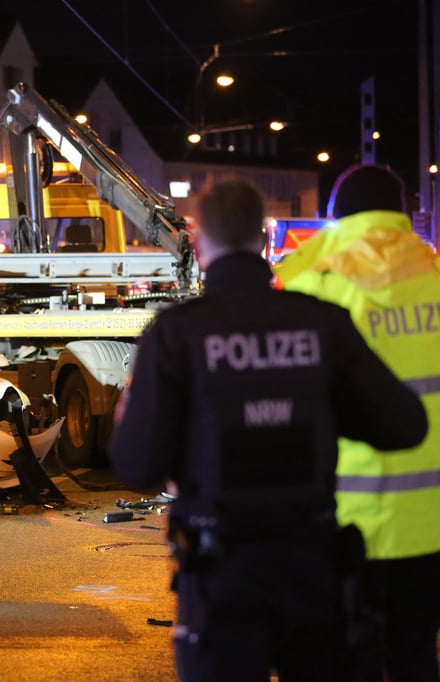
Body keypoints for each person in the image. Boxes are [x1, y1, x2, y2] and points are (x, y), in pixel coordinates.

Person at [108, 179, 427, 681]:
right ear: (263, 238)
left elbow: (136, 465)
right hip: (311, 567)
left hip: (220, 573)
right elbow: (405, 426)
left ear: (196, 240)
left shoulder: (176, 334)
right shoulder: (323, 323)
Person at [274, 163, 440, 681]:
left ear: (334, 217)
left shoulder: (315, 284)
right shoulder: (435, 277)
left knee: (350, 657)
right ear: (403, 215)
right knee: (416, 656)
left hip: (348, 519)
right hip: (432, 520)